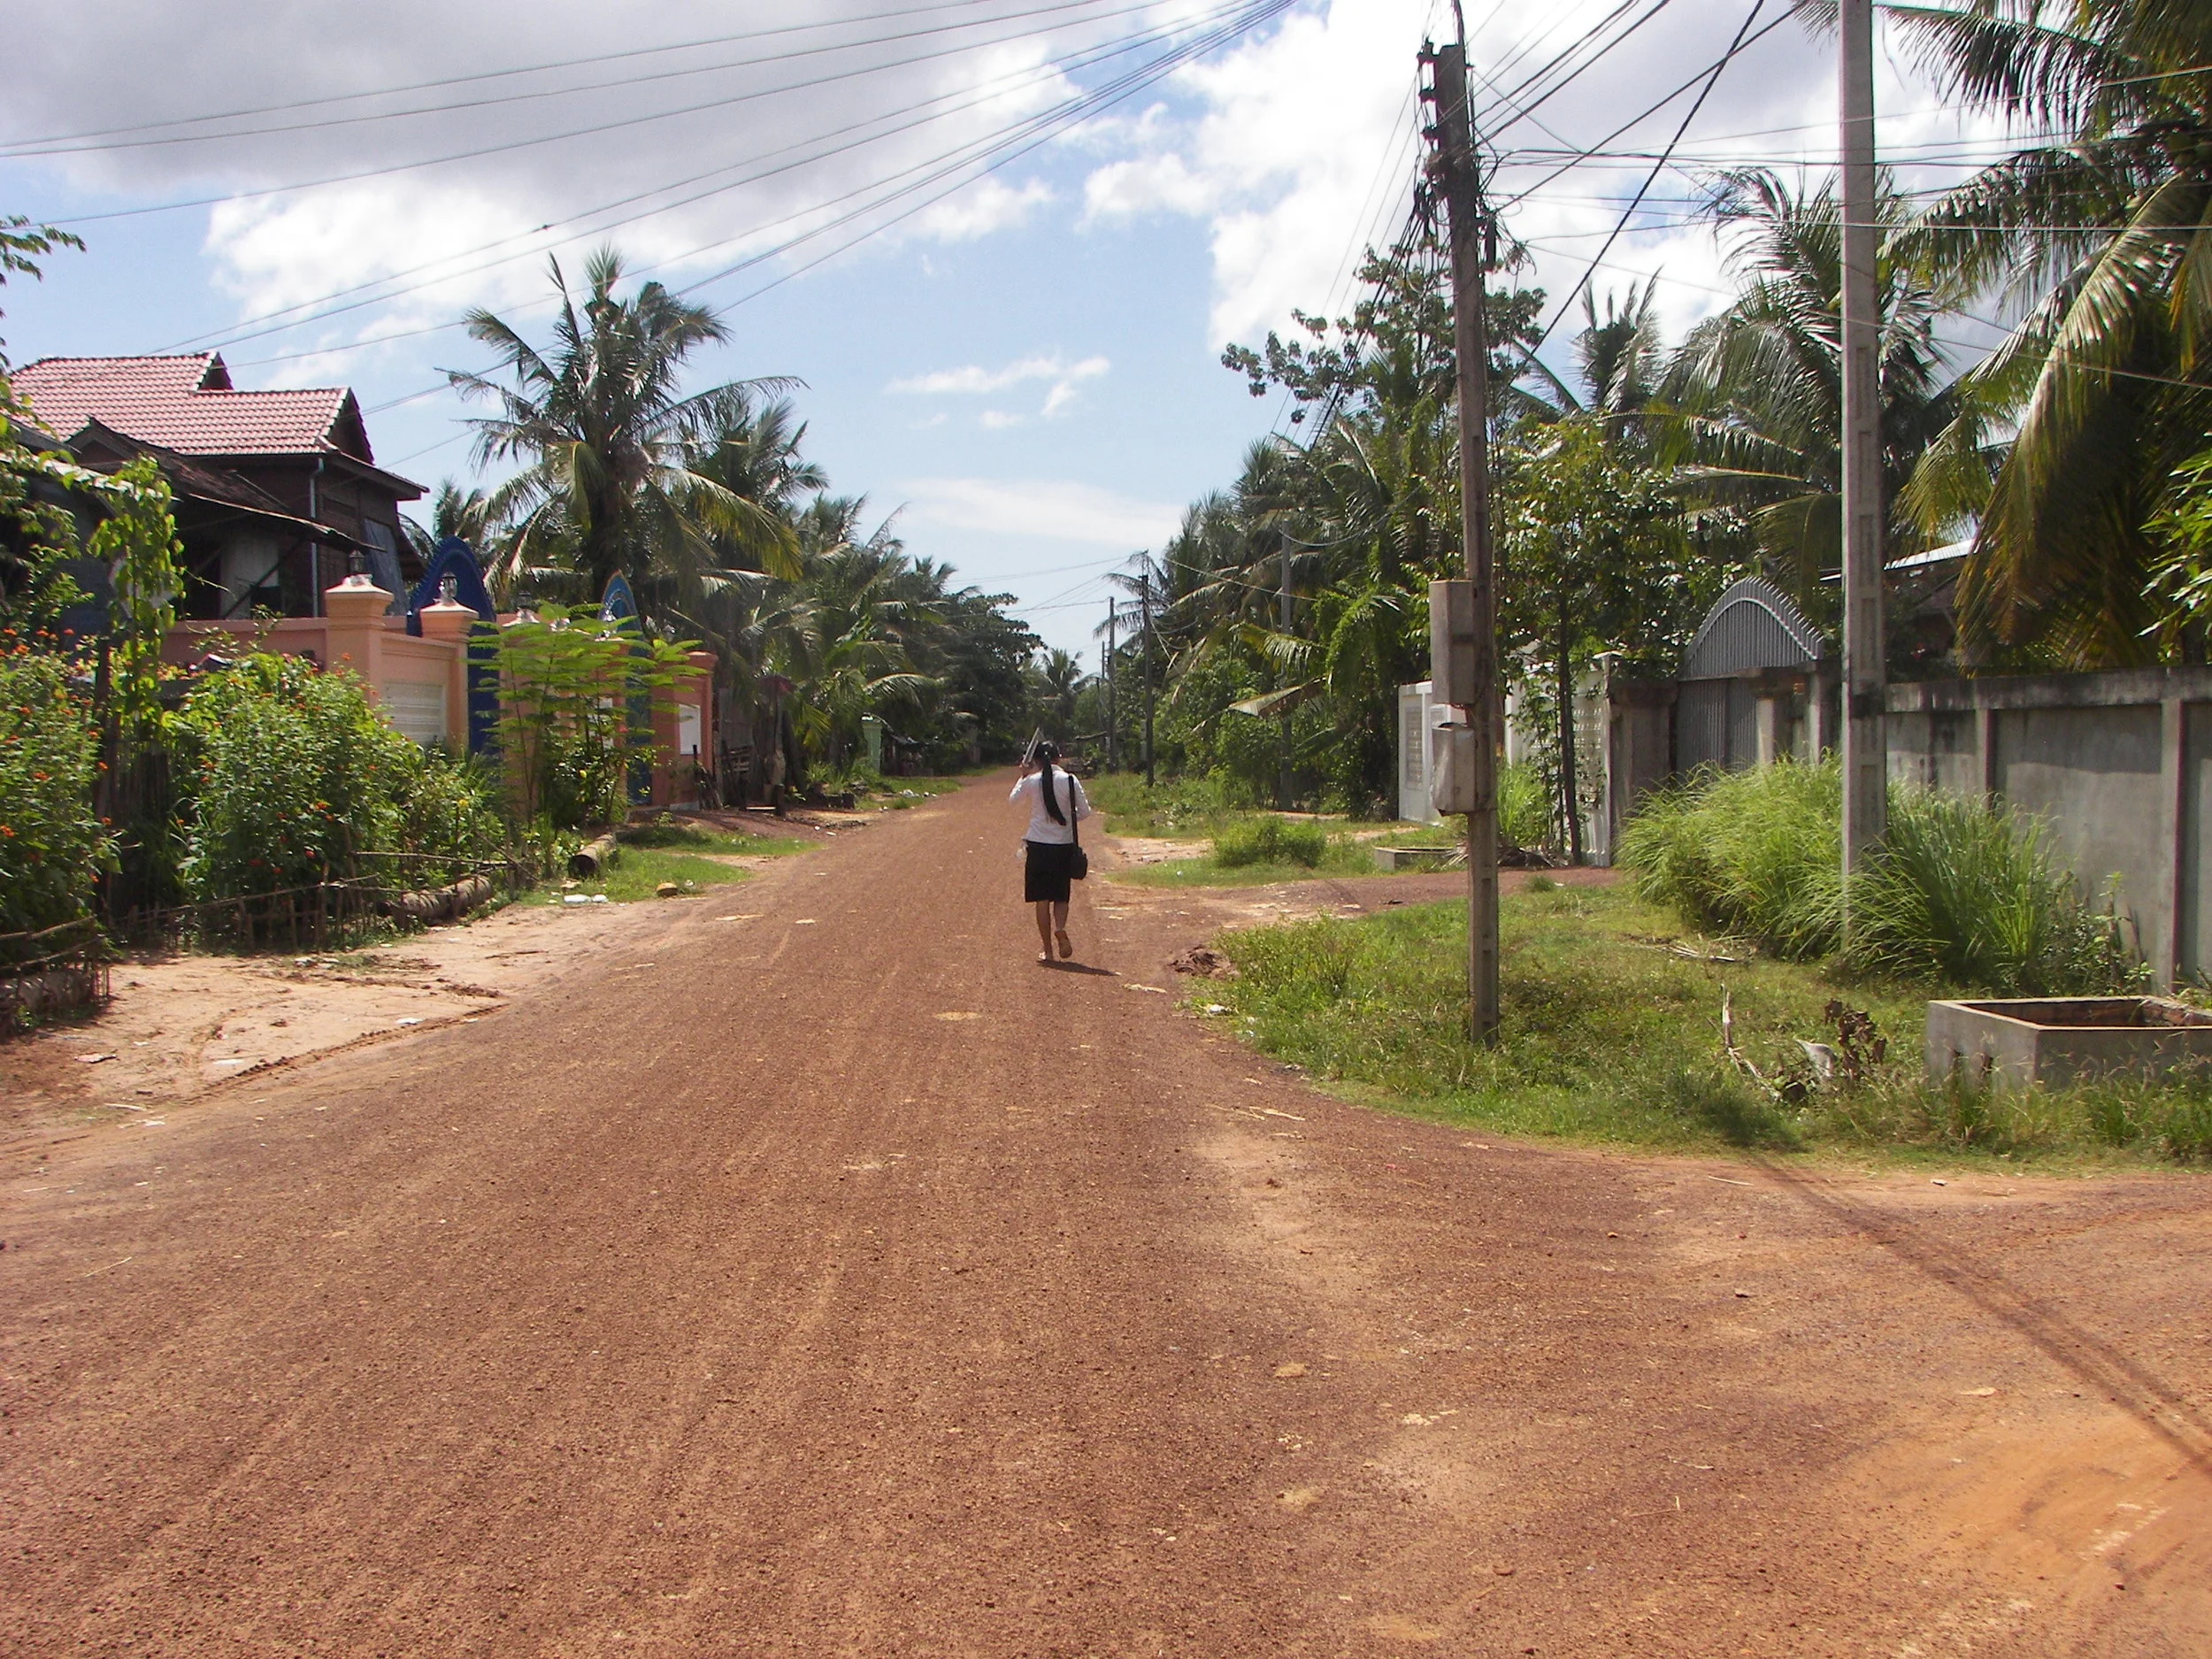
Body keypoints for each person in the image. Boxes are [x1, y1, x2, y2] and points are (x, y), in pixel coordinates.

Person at [1010, 741, 1093, 964]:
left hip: (1037, 845)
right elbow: (1084, 812)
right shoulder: (1070, 780)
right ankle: (1061, 928)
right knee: (1060, 895)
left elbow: (1013, 801)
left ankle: (1047, 950)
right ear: (1059, 758)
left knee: (1042, 899)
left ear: (1036, 761)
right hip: (1063, 845)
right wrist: (1065, 818)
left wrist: (1023, 776)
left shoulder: (1032, 781)